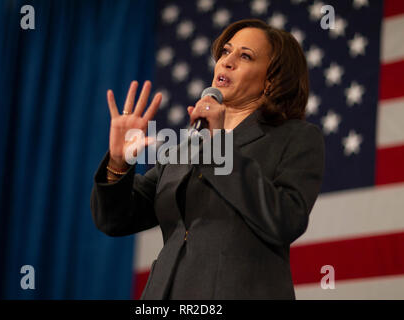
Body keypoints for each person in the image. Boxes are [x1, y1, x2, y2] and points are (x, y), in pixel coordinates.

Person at [90, 19, 325, 300]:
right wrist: (119, 163)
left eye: (245, 56)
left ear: (272, 80)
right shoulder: (186, 147)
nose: (227, 62)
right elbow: (115, 220)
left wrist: (219, 147)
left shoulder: (296, 137)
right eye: (226, 52)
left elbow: (286, 220)